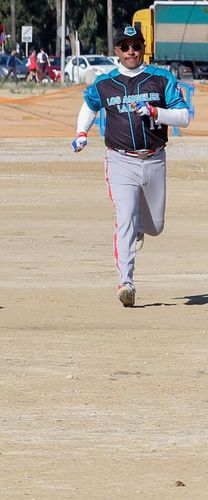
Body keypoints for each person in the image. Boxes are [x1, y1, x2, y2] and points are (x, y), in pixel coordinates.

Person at [72, 23, 191, 307]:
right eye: (125, 47)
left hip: (154, 158)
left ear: (143, 49)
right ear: (117, 50)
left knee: (156, 226)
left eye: (136, 46)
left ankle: (140, 228)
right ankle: (126, 282)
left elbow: (184, 116)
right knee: (125, 216)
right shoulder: (105, 83)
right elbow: (89, 105)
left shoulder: (161, 79)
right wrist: (81, 133)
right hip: (120, 159)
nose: (131, 52)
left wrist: (155, 111)